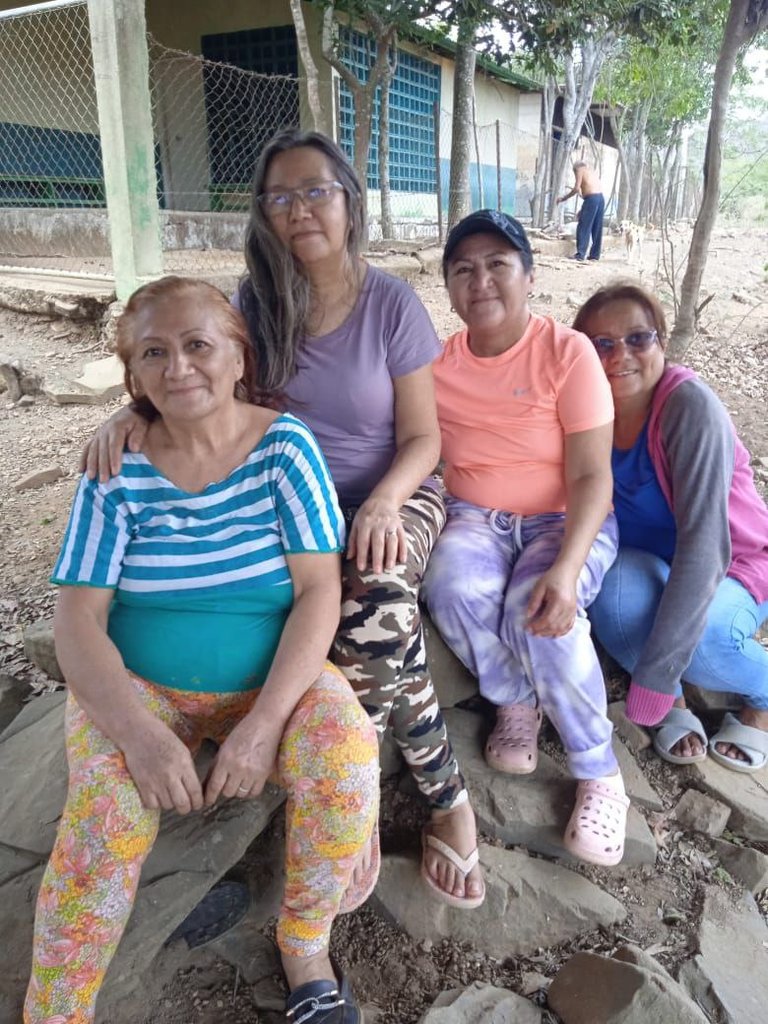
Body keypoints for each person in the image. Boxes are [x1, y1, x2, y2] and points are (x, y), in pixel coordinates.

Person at [80, 129, 484, 909]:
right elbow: (195, 371)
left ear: (349, 203)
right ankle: (360, 792)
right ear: (263, 215)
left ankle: (426, 796)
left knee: (375, 606)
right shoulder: (252, 305)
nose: (298, 209)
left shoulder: (391, 302)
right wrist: (126, 416)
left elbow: (425, 438)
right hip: (278, 497)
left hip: (391, 488)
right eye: (279, 196)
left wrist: (385, 500)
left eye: (315, 191)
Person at [24, 278, 379, 1024]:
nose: (179, 367)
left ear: (238, 355)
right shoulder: (114, 467)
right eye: (154, 352)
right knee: (102, 832)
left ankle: (304, 946)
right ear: (133, 376)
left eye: (197, 345)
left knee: (346, 759)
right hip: (142, 688)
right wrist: (137, 734)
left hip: (269, 683)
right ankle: (56, 1012)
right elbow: (79, 620)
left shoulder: (285, 447)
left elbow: (319, 591)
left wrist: (263, 724)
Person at [422, 209, 630, 867]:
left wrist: (567, 570)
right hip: (477, 518)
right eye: (463, 269)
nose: (480, 281)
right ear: (450, 287)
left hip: (564, 519)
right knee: (451, 583)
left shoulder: (567, 353)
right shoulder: (436, 366)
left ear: (529, 277)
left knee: (539, 609)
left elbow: (594, 474)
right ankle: (515, 700)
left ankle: (601, 772)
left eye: (497, 265)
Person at [573, 283, 768, 773]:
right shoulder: (584, 411)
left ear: (660, 341)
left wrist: (656, 675)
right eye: (602, 344)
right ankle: (678, 703)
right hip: (648, 558)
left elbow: (705, 551)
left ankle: (761, 697)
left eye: (638, 338)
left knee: (702, 642)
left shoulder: (688, 408)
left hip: (734, 560)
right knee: (608, 598)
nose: (621, 355)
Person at [557, 160, 605, 262]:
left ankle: (580, 254)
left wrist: (563, 198)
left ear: (575, 170)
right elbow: (589, 190)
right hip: (600, 198)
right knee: (597, 227)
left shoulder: (579, 170)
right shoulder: (590, 171)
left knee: (583, 226)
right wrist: (582, 209)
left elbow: (576, 188)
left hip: (592, 198)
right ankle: (594, 256)